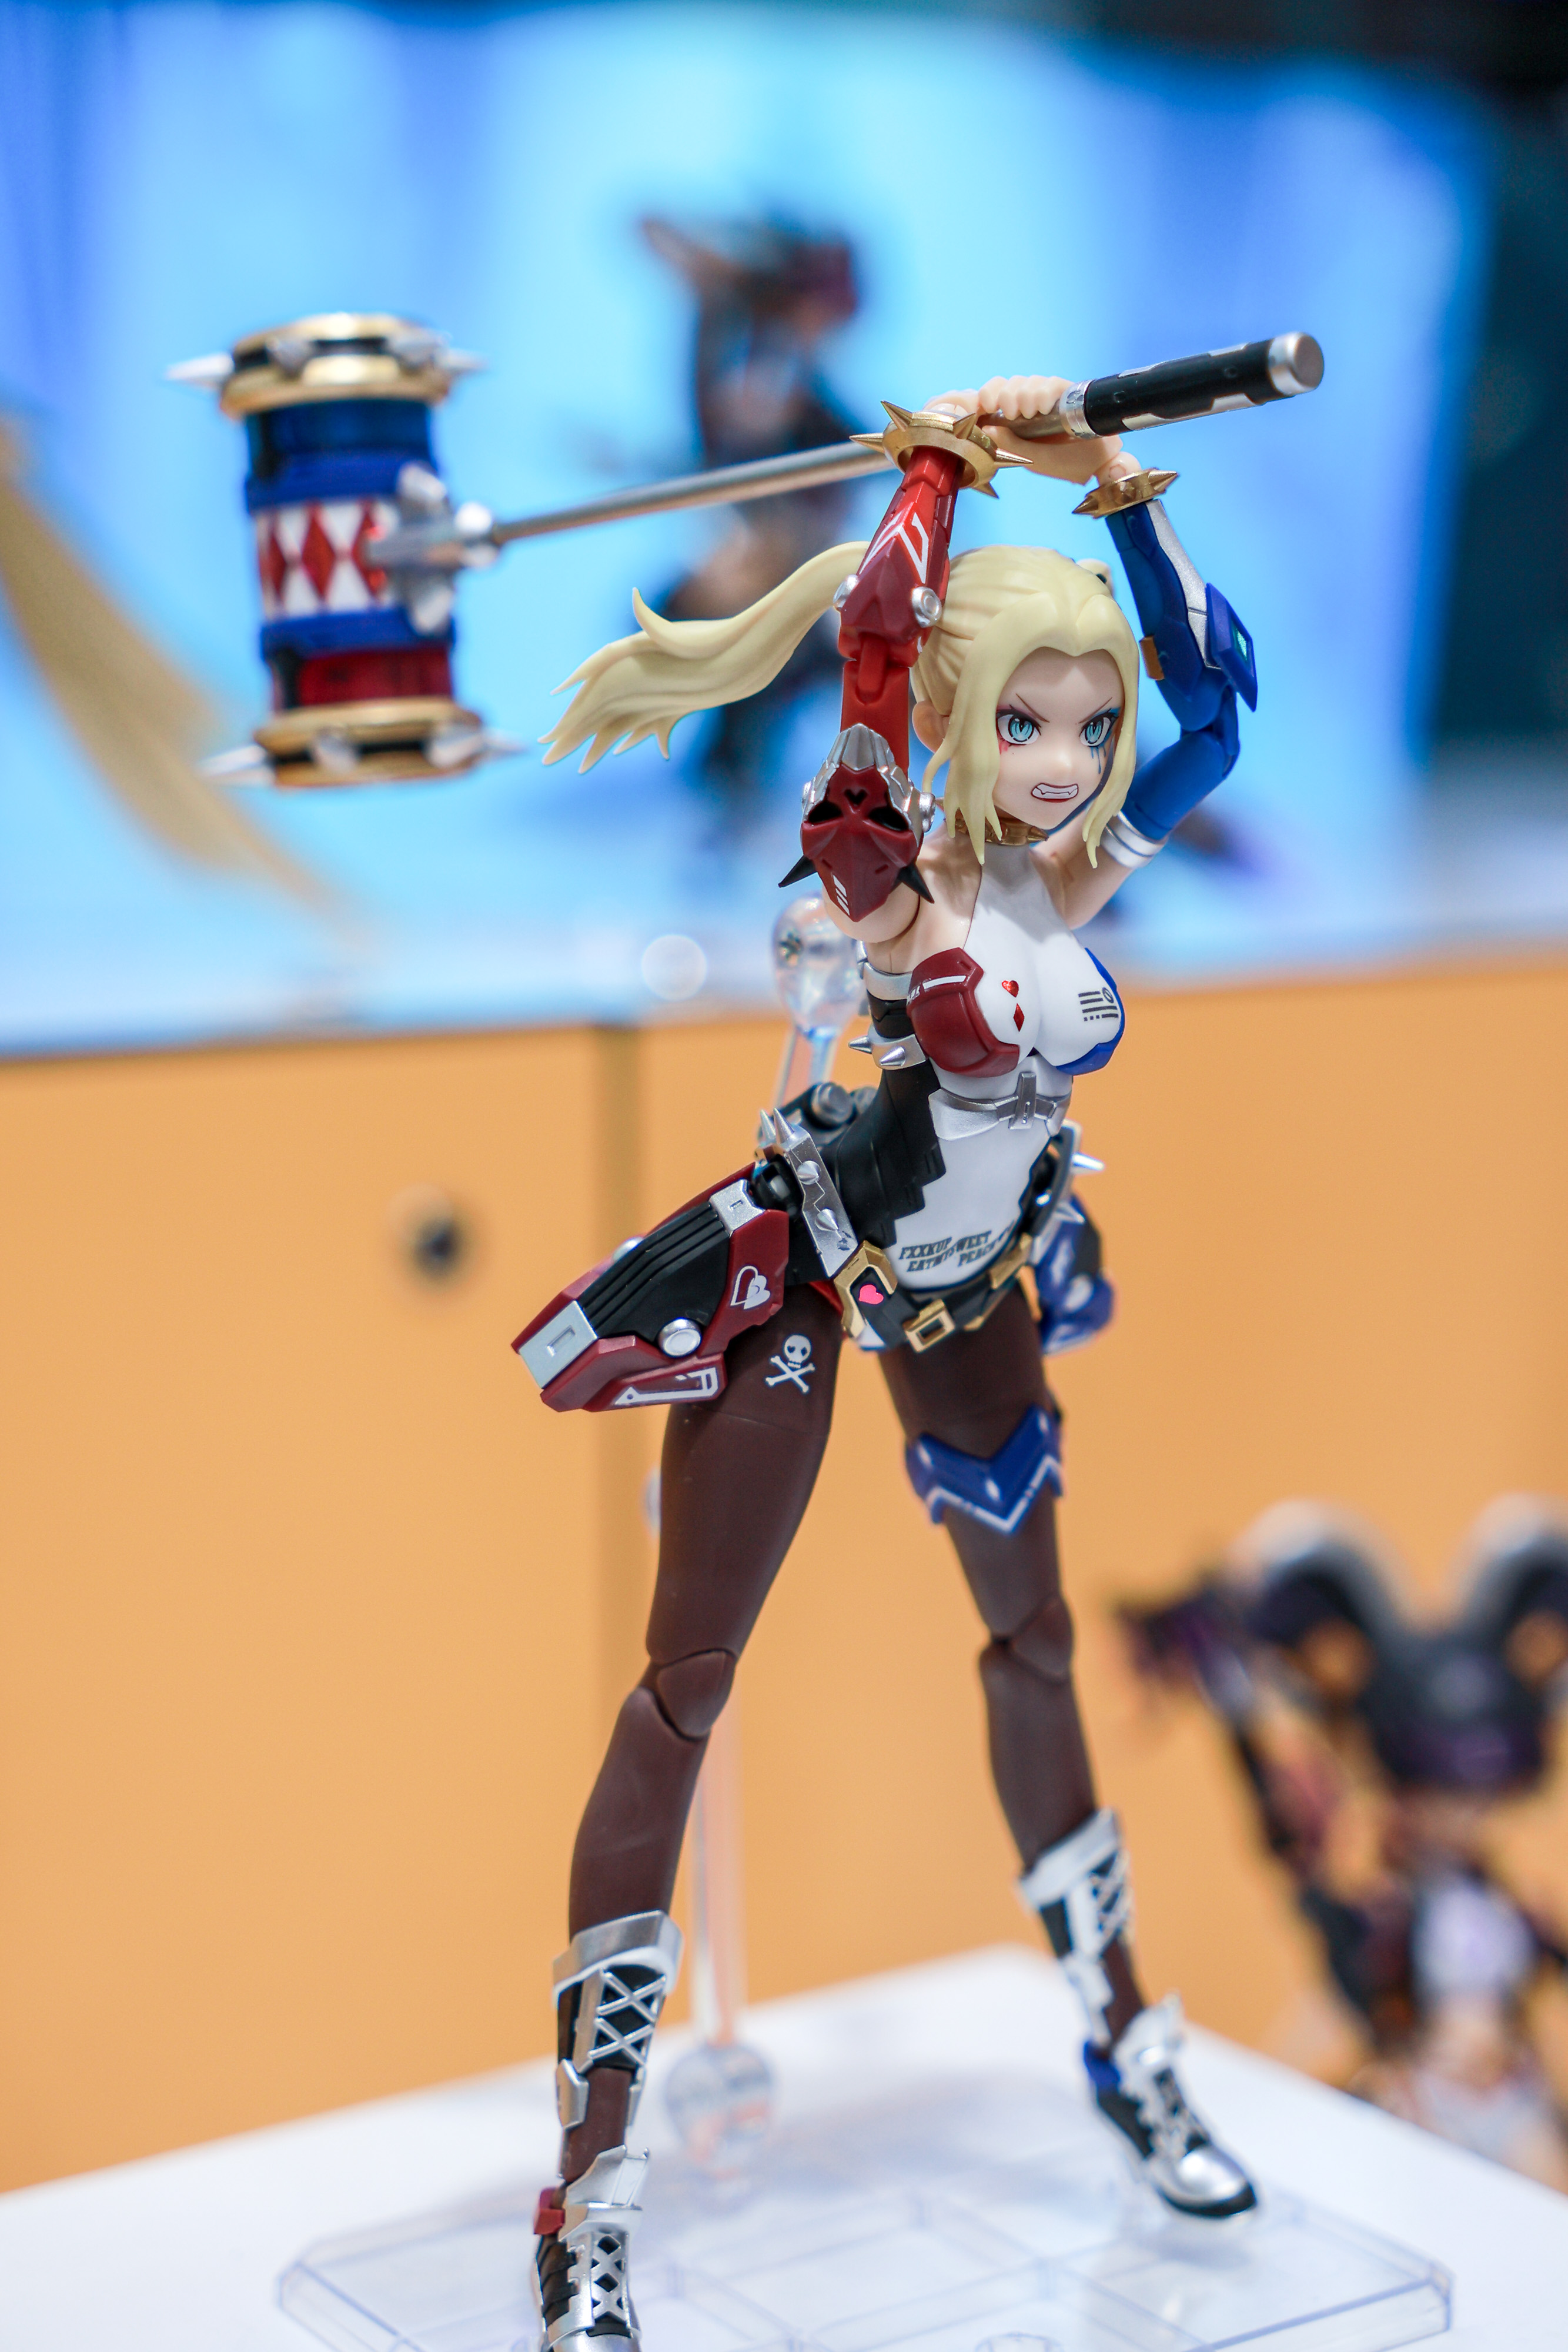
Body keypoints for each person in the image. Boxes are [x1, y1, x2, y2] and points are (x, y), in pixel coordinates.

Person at [516, 376, 1261, 2352]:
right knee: (684, 1692)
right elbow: (862, 682)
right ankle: (588, 2190)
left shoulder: (1060, 879)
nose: (1065, 758)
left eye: (1081, 723)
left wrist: (1119, 491)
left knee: (1033, 1642)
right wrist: (926, 477)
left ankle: (1122, 2043)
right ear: (953, 708)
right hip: (813, 1271)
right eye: (1024, 719)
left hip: (974, 1284)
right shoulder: (882, 875)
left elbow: (1215, 716)